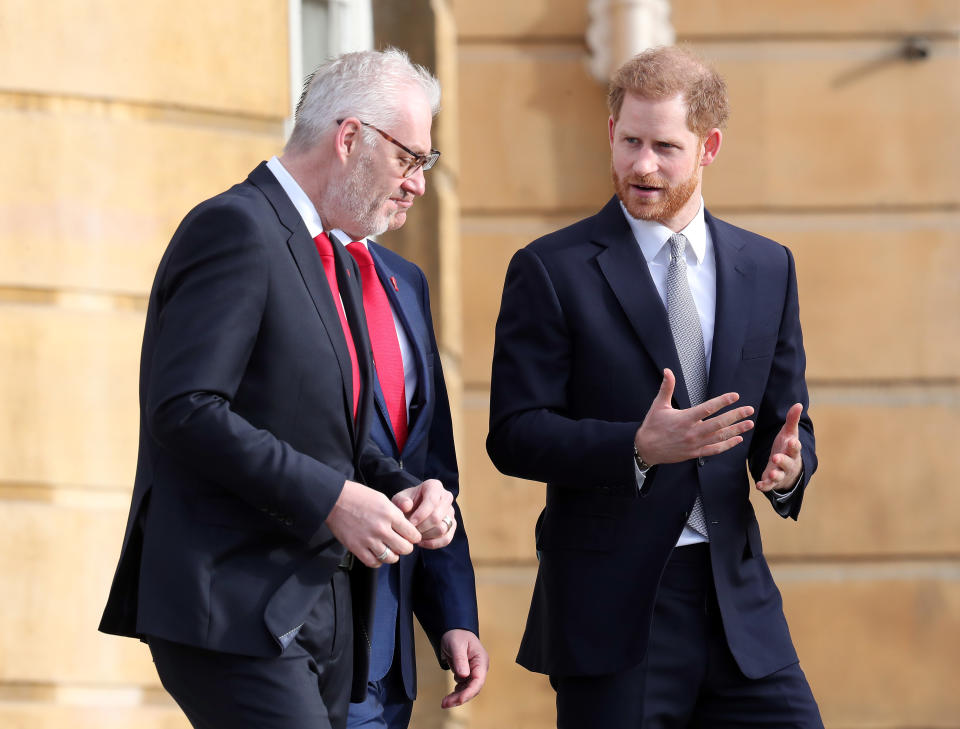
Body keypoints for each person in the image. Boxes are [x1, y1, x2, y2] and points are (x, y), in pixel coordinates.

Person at [99, 48, 462, 729]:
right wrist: (331, 498)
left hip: (314, 613)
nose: (418, 183)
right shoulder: (236, 227)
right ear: (351, 138)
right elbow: (185, 409)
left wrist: (401, 489)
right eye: (411, 157)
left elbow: (331, 435)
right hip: (229, 606)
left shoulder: (335, 255)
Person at [486, 45, 822, 728]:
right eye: (630, 141)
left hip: (741, 605)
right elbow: (514, 433)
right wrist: (636, 447)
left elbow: (785, 423)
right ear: (611, 133)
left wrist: (787, 468)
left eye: (666, 147)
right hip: (613, 614)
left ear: (710, 146)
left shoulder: (768, 266)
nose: (642, 165)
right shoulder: (551, 269)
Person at [336, 232, 489, 726]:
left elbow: (430, 468)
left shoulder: (405, 277)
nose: (417, 183)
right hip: (317, 625)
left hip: (391, 648)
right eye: (406, 159)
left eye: (425, 163)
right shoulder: (291, 266)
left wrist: (454, 616)